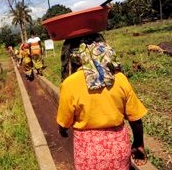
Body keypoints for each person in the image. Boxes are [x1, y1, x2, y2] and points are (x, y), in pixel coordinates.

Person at [57, 33, 148, 170]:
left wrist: (62, 130)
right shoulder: (120, 78)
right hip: (119, 150)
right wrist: (139, 143)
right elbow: (136, 119)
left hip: (88, 153)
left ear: (72, 58)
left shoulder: (70, 84)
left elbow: (64, 121)